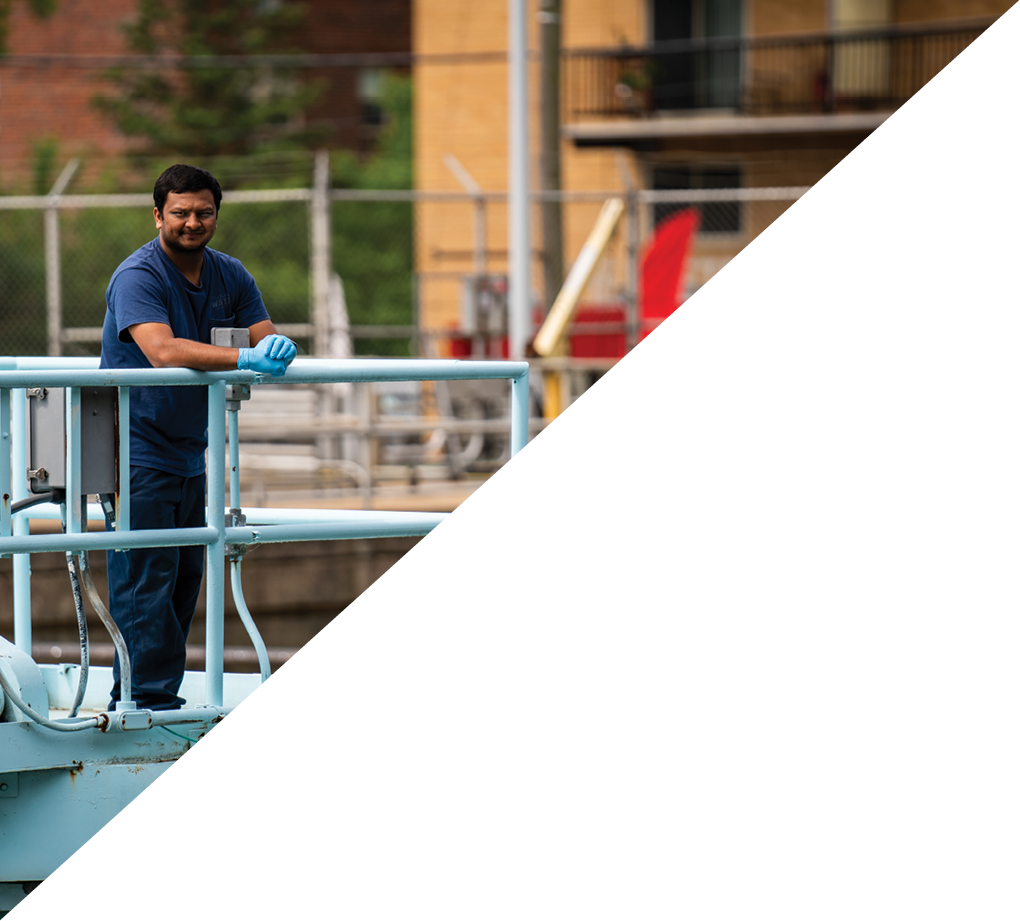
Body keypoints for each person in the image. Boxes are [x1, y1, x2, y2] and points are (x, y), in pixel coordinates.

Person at [99, 163, 297, 711]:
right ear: (158, 214)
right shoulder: (138, 276)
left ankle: (159, 696)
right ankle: (142, 703)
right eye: (180, 212)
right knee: (145, 582)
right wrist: (244, 358)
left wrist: (277, 347)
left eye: (203, 212)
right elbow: (161, 349)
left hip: (189, 452)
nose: (192, 222)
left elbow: (266, 334)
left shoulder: (229, 273)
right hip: (134, 452)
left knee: (185, 577)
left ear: (216, 215)